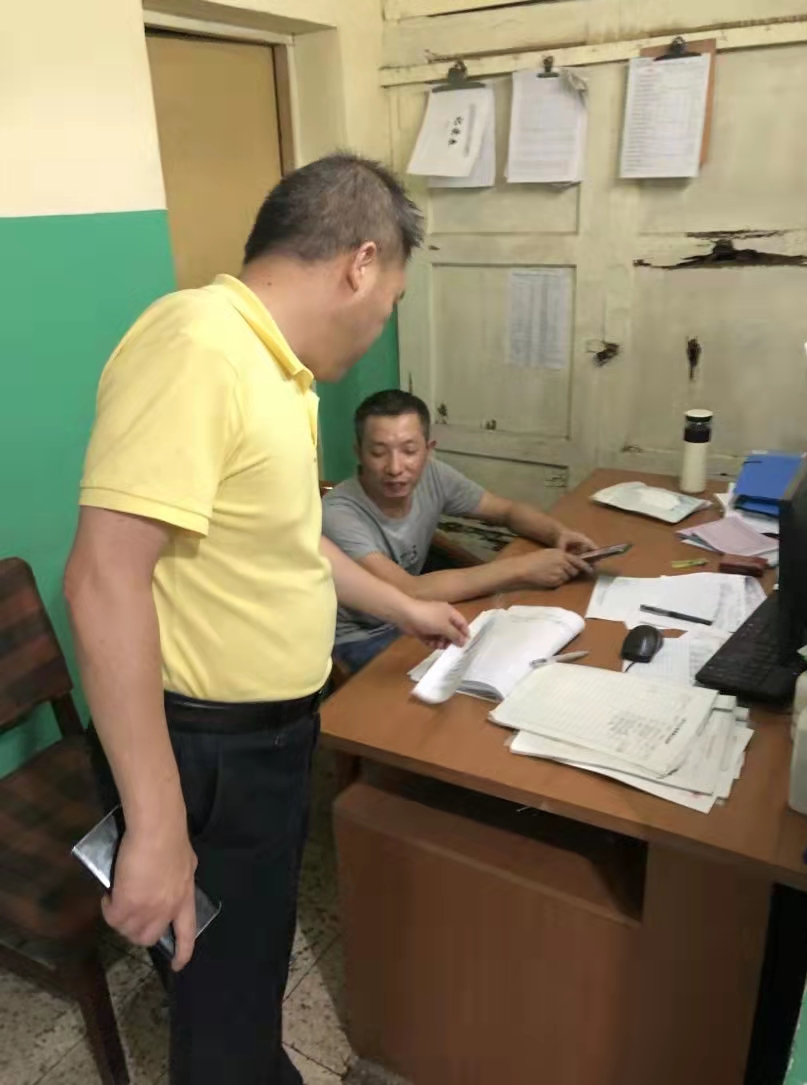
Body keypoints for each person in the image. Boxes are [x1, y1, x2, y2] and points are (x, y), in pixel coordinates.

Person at [64, 155, 469, 1085]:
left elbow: (292, 541)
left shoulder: (276, 370)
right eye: (392, 298)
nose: (381, 322)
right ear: (362, 263)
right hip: (207, 750)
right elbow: (101, 579)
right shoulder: (198, 346)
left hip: (266, 739)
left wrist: (407, 605)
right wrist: (157, 826)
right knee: (218, 994)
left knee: (241, 976)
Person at [322, 389, 596, 674]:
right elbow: (409, 591)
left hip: (418, 616)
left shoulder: (433, 475)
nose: (394, 467)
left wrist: (557, 533)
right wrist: (523, 568)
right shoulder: (339, 513)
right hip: (362, 636)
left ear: (428, 450)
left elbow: (506, 511)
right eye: (378, 453)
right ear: (359, 453)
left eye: (409, 451)